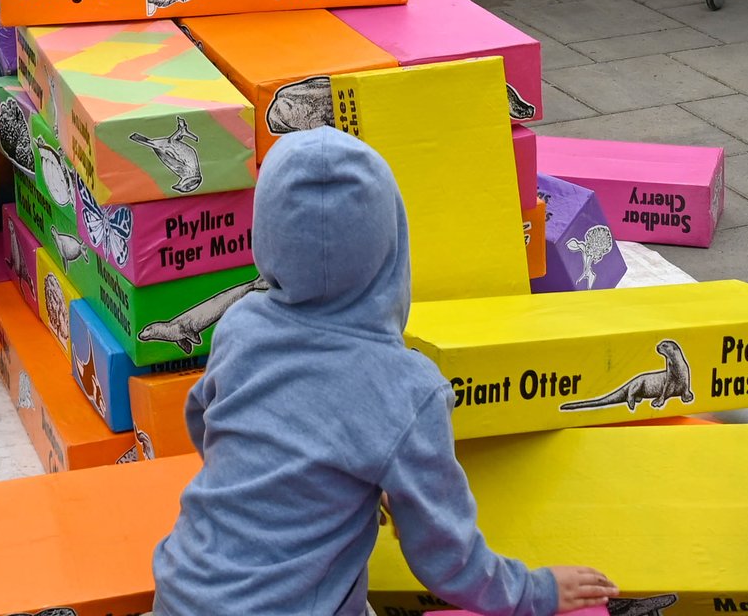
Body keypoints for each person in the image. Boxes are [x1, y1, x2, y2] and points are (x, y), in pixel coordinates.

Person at [151, 128, 615, 616]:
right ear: (392, 241)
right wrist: (534, 592)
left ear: (264, 238)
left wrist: (282, 482)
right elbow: (446, 559)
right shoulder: (408, 390)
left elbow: (204, 418)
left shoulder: (241, 325)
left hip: (181, 592)